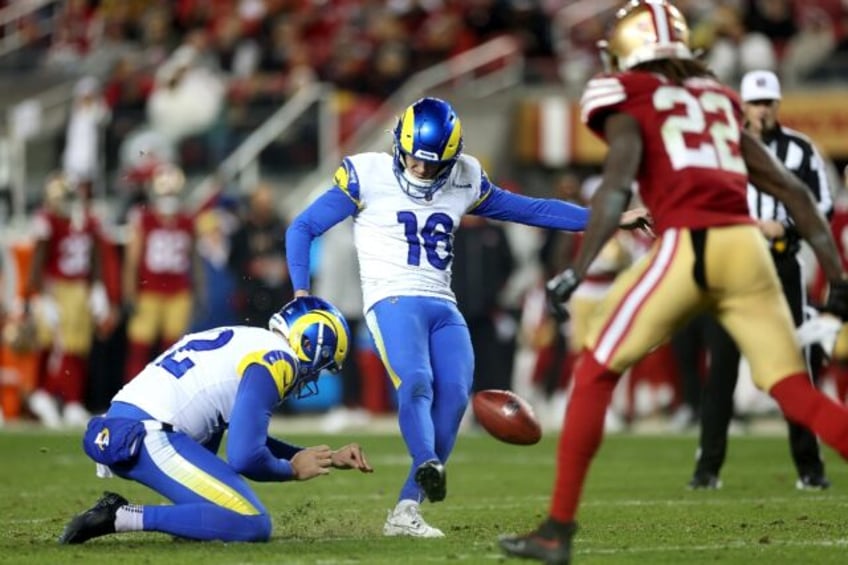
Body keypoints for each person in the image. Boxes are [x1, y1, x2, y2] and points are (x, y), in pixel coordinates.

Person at [498, 2, 848, 564]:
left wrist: (577, 269)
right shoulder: (719, 97)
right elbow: (797, 194)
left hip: (691, 244)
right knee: (795, 393)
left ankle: (557, 529)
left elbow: (614, 189)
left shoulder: (627, 92)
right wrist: (836, 275)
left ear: (627, 48)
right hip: (748, 252)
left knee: (593, 371)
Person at [285, 96, 649, 538]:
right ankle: (427, 463)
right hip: (392, 300)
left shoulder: (464, 177)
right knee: (417, 382)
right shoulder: (369, 173)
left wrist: (605, 220)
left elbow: (532, 210)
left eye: (432, 163)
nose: (421, 170)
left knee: (456, 396)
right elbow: (302, 227)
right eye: (415, 160)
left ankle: (405, 509)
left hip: (443, 304)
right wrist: (301, 291)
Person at [58, 296, 373, 545]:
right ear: (309, 343)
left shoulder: (251, 340)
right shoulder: (279, 360)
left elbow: (246, 437)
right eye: (320, 367)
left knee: (219, 459)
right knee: (252, 523)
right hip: (147, 435)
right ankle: (121, 516)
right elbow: (245, 456)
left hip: (128, 425)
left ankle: (191, 520)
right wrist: (291, 469)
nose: (313, 377)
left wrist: (329, 458)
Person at [688, 69, 834, 491]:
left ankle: (810, 468)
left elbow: (821, 203)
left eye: (769, 103)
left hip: (781, 264)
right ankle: (706, 469)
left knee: (791, 367)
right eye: (755, 103)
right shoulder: (721, 149)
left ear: (778, 105)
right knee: (721, 373)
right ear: (743, 106)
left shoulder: (800, 150)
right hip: (731, 268)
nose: (762, 110)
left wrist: (784, 225)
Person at [122, 162, 203, 381]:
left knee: (173, 348)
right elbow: (133, 259)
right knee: (140, 344)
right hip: (149, 290)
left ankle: (168, 392)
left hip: (178, 291)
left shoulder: (187, 220)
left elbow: (193, 258)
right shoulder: (144, 219)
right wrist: (129, 292)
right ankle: (133, 392)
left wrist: (199, 290)